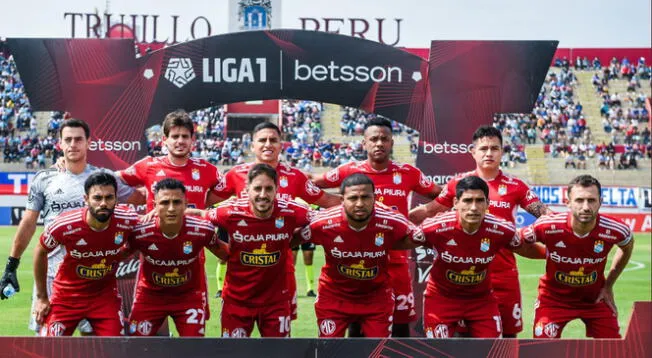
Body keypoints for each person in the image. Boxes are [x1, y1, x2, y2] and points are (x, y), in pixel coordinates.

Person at [0, 118, 139, 335]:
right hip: (51, 276)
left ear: (88, 143)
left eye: (78, 139)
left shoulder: (103, 178)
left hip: (93, 276)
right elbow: (28, 223)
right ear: (60, 144)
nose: (73, 144)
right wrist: (11, 265)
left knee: (96, 343)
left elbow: (141, 198)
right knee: (48, 343)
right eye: (68, 140)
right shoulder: (44, 179)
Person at [410, 125, 551, 337]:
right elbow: (429, 211)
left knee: (506, 336)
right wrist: (395, 220)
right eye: (483, 148)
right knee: (459, 338)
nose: (489, 153)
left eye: (495, 148)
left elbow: (546, 216)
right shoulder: (458, 184)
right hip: (461, 274)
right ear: (473, 152)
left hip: (502, 273)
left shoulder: (516, 186)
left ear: (502, 151)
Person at [312, 117, 441, 337]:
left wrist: (423, 212)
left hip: (395, 259)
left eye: (384, 139)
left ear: (392, 143)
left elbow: (442, 195)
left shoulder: (408, 172)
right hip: (358, 256)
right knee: (356, 322)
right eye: (374, 139)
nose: (379, 143)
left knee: (401, 324)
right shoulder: (348, 171)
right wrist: (335, 204)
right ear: (364, 143)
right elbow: (312, 184)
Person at [210, 122, 340, 320]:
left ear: (281, 145)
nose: (268, 144)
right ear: (252, 145)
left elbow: (328, 201)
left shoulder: (295, 176)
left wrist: (371, 206)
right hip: (242, 271)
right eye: (262, 140)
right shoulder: (236, 174)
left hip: (281, 272)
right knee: (236, 344)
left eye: (273, 140)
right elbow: (204, 200)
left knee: (279, 341)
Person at [299, 173, 423, 338]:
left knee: (376, 352)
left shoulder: (391, 220)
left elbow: (418, 237)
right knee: (328, 350)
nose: (360, 204)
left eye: (365, 197)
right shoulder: (322, 223)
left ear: (375, 198)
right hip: (334, 297)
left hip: (376, 298)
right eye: (353, 198)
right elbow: (291, 240)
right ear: (342, 200)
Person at [197, 164, 311, 337]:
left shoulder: (292, 211)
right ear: (247, 189)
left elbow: (323, 220)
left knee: (280, 353)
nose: (263, 195)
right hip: (236, 302)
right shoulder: (230, 211)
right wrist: (159, 214)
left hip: (276, 302)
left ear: (277, 189)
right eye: (257, 188)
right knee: (233, 354)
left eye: (268, 189)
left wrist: (296, 239)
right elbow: (197, 215)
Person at [520, 175, 634, 338]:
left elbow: (627, 245)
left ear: (600, 202)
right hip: (553, 300)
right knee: (541, 350)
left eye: (591, 200)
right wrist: (544, 253)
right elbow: (516, 241)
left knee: (613, 350)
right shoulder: (547, 225)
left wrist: (608, 285)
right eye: (579, 200)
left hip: (594, 300)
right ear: (568, 202)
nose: (586, 207)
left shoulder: (616, 229)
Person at [415, 176, 530, 338]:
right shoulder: (434, 227)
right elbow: (403, 242)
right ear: (455, 203)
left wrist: (551, 254)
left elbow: (526, 249)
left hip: (481, 301)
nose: (474, 207)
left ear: (487, 204)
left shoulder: (503, 229)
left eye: (479, 201)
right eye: (468, 201)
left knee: (493, 350)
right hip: (442, 299)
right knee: (438, 351)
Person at [33, 172, 139, 336]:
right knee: (50, 348)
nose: (103, 203)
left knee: (116, 349)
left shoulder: (128, 219)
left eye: (109, 197)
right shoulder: (66, 224)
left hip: (104, 298)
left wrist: (120, 254)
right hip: (66, 297)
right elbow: (40, 251)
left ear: (116, 199)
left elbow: (146, 232)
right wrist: (41, 297)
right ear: (86, 199)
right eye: (97, 198)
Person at [126, 178, 228, 337]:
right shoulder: (140, 231)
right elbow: (115, 256)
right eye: (165, 202)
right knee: (137, 346)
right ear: (155, 205)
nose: (171, 208)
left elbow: (228, 256)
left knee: (193, 348)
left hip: (188, 297)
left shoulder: (202, 230)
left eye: (177, 202)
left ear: (186, 204)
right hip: (149, 297)